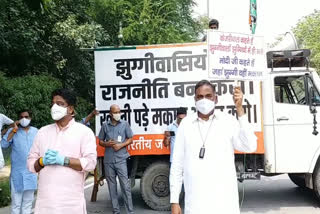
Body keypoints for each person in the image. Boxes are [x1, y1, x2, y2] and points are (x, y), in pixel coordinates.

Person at [170, 80, 257, 214]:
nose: (204, 100)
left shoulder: (228, 121)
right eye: (200, 97)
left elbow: (250, 146)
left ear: (215, 98)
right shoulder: (186, 125)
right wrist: (174, 201)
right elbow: (177, 164)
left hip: (224, 202)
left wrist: (240, 109)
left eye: (208, 96)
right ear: (195, 100)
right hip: (196, 203)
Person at [27, 88, 97, 214]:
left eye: (60, 104)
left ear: (70, 109)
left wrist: (64, 160)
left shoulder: (84, 133)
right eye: (53, 103)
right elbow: (31, 164)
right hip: (45, 205)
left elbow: (91, 163)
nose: (54, 107)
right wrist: (42, 161)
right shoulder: (43, 132)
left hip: (71, 205)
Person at [98, 104, 134, 214]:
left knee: (125, 187)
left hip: (121, 159)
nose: (118, 114)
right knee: (112, 187)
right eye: (115, 112)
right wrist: (106, 144)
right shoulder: (105, 126)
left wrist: (121, 145)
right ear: (110, 114)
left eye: (119, 112)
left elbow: (131, 139)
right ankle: (116, 210)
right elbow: (100, 141)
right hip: (108, 160)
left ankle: (130, 211)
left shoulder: (124, 124)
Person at [1, 110, 38, 214]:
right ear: (18, 119)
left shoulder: (36, 131)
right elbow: (3, 145)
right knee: (16, 204)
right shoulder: (13, 131)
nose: (24, 119)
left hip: (31, 173)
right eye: (21, 117)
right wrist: (13, 130)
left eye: (26, 117)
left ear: (30, 118)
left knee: (28, 203)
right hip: (17, 174)